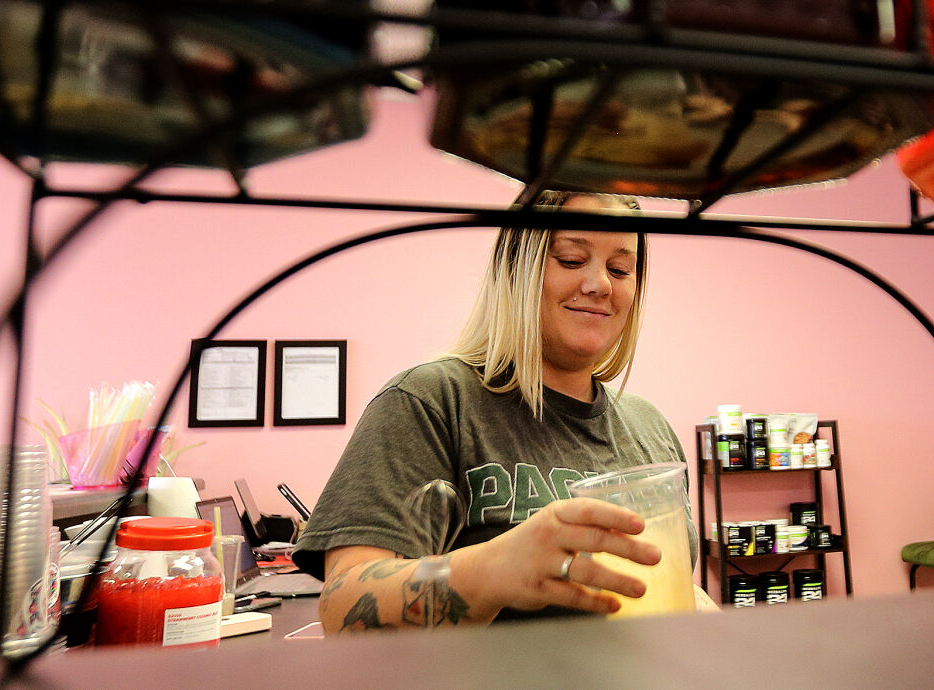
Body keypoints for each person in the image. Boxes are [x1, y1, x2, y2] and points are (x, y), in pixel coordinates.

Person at [294, 190, 705, 632]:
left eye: (620, 269)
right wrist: (490, 570)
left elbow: (671, 588)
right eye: (570, 259)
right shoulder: (430, 402)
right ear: (516, 270)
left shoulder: (648, 425)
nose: (600, 284)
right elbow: (344, 602)